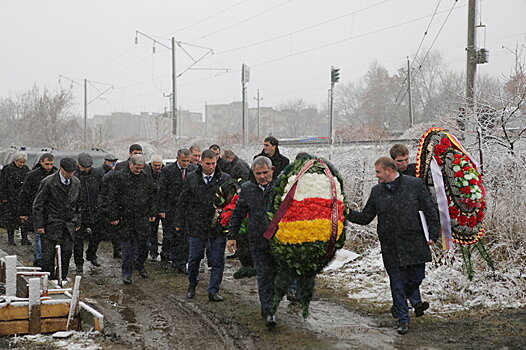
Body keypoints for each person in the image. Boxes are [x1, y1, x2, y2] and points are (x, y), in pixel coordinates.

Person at [346, 157, 439, 335]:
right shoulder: (376, 191)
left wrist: (433, 234)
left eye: (378, 172)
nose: (376, 176)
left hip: (414, 241)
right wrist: (347, 212)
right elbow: (366, 218)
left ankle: (399, 304)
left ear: (389, 170)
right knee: (396, 282)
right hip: (390, 245)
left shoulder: (415, 185)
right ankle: (403, 319)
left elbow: (430, 210)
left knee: (417, 277)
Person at [227, 156, 277, 329]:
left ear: (272, 170)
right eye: (258, 174)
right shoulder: (247, 189)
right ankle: (268, 310)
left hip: (279, 240)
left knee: (277, 275)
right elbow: (238, 213)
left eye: (265, 173)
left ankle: (273, 303)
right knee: (263, 274)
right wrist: (231, 235)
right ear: (253, 174)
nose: (262, 176)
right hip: (257, 240)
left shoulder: (282, 188)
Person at [175, 149, 231, 301]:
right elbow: (182, 201)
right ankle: (192, 284)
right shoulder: (192, 178)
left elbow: (231, 204)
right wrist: (179, 221)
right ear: (201, 162)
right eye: (208, 164)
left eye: (213, 163)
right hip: (197, 226)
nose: (211, 167)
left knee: (218, 260)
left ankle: (213, 290)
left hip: (217, 227)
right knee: (194, 258)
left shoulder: (225, 179)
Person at [108, 154, 156, 284]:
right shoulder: (119, 177)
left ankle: (140, 264)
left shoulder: (146, 177)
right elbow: (112, 198)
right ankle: (127, 272)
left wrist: (152, 212)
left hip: (142, 217)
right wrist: (114, 216)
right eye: (136, 168)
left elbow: (151, 196)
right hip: (126, 217)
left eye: (141, 168)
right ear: (130, 164)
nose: (138, 170)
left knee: (145, 246)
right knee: (128, 248)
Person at [32, 157, 81, 281]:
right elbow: (38, 205)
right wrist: (39, 225)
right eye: (68, 172)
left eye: (73, 172)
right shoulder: (48, 182)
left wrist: (77, 220)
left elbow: (79, 204)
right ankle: (47, 280)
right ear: (61, 169)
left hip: (68, 224)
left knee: (66, 253)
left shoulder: (76, 182)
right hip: (51, 223)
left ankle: (61, 278)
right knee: (48, 256)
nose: (71, 174)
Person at [157, 149, 197, 272]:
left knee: (184, 236)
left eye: (187, 161)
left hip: (186, 208)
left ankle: (181, 261)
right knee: (169, 234)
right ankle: (166, 257)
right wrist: (161, 208)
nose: (185, 163)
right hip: (171, 207)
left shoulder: (193, 170)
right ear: (177, 158)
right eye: (183, 161)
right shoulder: (168, 170)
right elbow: (162, 190)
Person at [18, 153, 57, 266]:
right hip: (37, 209)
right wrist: (23, 212)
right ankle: (40, 259)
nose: (49, 167)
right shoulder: (32, 176)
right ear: (41, 162)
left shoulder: (56, 176)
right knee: (39, 235)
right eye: (47, 164)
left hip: (52, 211)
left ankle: (48, 259)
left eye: (51, 164)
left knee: (50, 237)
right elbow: (24, 194)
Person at [73, 153, 104, 273]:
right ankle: (78, 262)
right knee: (78, 240)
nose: (86, 170)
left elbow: (103, 190)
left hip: (95, 210)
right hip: (80, 212)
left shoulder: (97, 174)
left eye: (88, 167)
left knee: (97, 235)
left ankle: (91, 254)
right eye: (83, 167)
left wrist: (100, 204)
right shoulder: (74, 175)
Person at [0, 151, 30, 245]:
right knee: (11, 220)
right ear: (15, 161)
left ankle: (24, 238)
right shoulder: (7, 169)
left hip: (22, 198)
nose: (21, 164)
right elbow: (3, 184)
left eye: (23, 162)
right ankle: (11, 239)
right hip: (10, 198)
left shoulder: (26, 169)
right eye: (20, 162)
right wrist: (4, 197)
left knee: (24, 219)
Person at [147, 154, 164, 261]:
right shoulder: (147, 172)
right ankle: (153, 251)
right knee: (152, 231)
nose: (158, 167)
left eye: (159, 165)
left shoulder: (165, 172)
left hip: (162, 204)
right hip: (152, 204)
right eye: (155, 165)